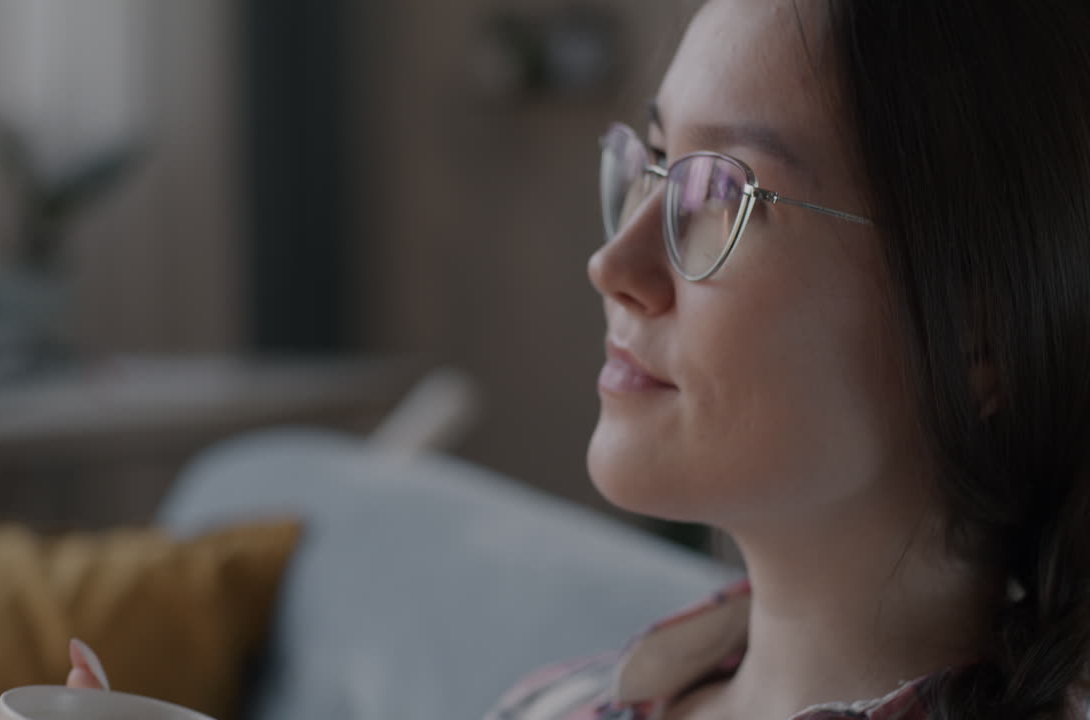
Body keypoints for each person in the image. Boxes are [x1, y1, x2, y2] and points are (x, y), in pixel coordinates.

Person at [72, 0, 1090, 718]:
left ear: (981, 338)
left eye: (717, 195)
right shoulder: (556, 705)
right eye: (652, 165)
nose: (614, 265)